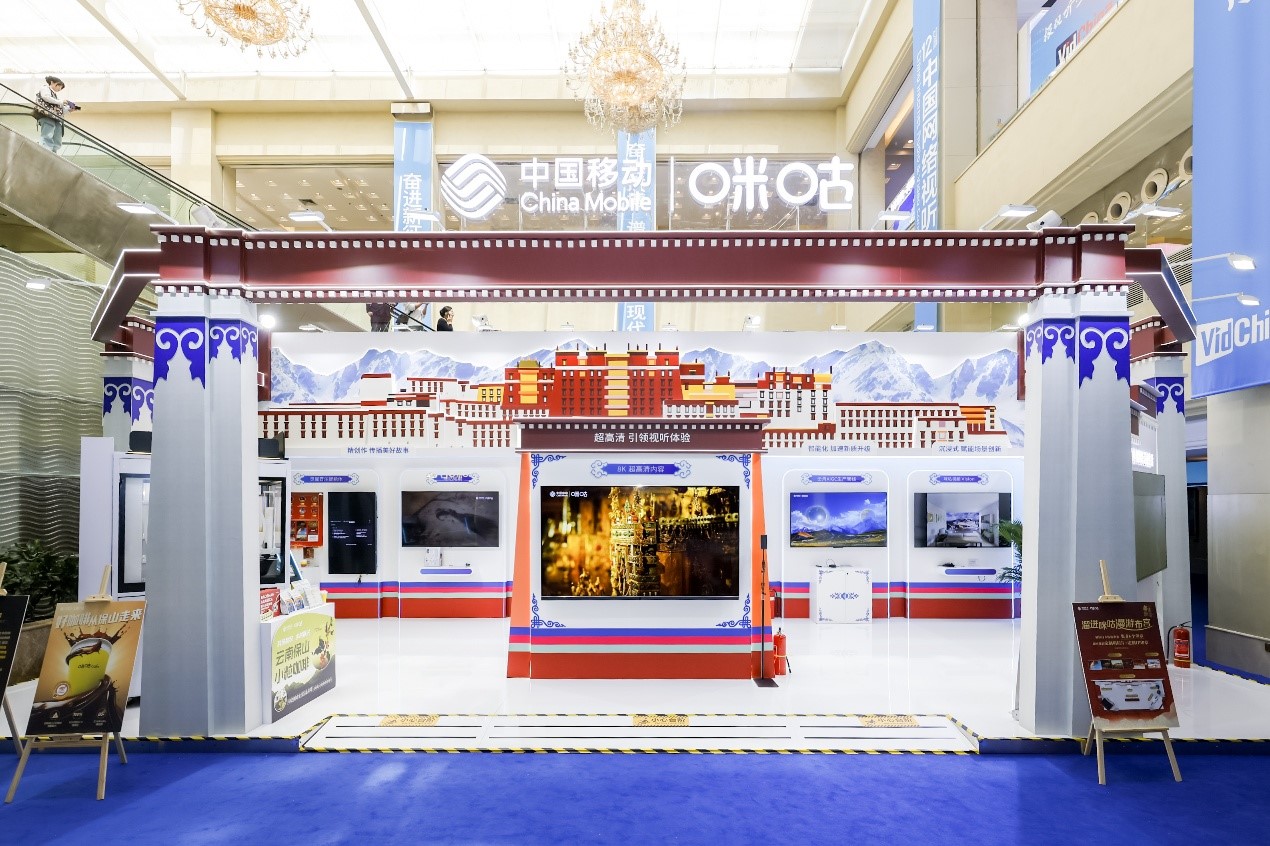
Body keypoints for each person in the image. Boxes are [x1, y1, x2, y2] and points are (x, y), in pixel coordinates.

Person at [35, 75, 79, 154]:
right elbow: (45, 97)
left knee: (57, 137)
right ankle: (45, 150)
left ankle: (53, 152)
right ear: (52, 82)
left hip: (55, 118)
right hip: (47, 115)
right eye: (59, 86)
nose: (59, 89)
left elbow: (58, 110)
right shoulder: (45, 88)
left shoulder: (55, 97)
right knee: (48, 134)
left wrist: (69, 110)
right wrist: (61, 102)